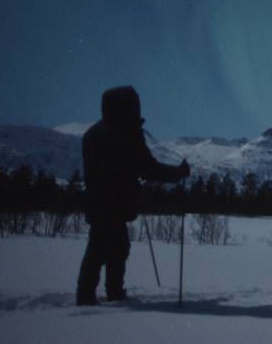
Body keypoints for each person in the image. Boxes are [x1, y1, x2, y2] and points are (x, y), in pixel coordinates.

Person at [76, 86, 190, 306]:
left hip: (98, 202)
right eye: (135, 105)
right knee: (107, 249)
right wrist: (177, 173)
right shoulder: (125, 132)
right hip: (115, 202)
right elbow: (147, 168)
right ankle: (101, 295)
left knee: (107, 247)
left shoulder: (93, 133)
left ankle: (98, 293)